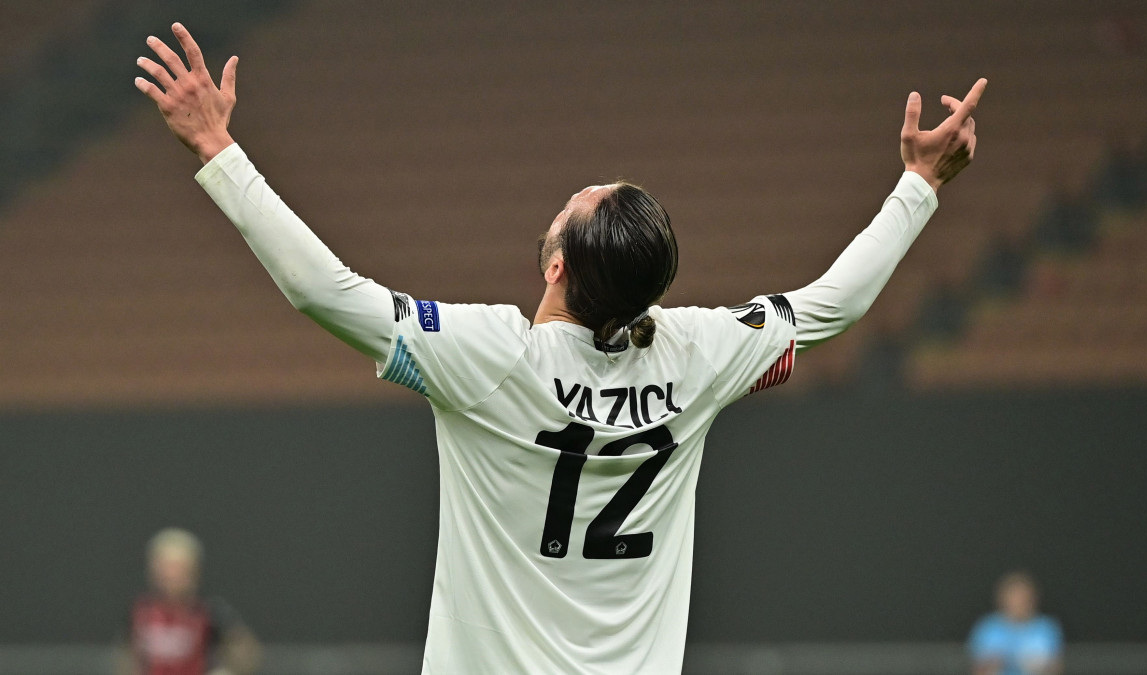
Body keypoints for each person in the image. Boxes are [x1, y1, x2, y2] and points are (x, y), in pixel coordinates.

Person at [134, 22, 985, 674]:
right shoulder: (696, 354)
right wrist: (919, 185)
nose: (584, 185)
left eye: (581, 199)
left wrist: (218, 150)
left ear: (555, 264)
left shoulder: (490, 358)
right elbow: (832, 305)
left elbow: (323, 289)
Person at [118, 528, 260, 675]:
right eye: (166, 568)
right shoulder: (140, 611)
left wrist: (227, 667)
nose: (172, 576)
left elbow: (246, 653)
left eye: (178, 568)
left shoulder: (208, 611)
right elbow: (126, 656)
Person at [968, 571, 1064, 675]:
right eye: (1014, 596)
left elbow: (1056, 668)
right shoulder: (987, 627)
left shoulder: (1046, 627)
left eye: (1023, 597)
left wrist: (1039, 666)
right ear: (1002, 598)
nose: (1019, 601)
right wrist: (993, 663)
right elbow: (977, 669)